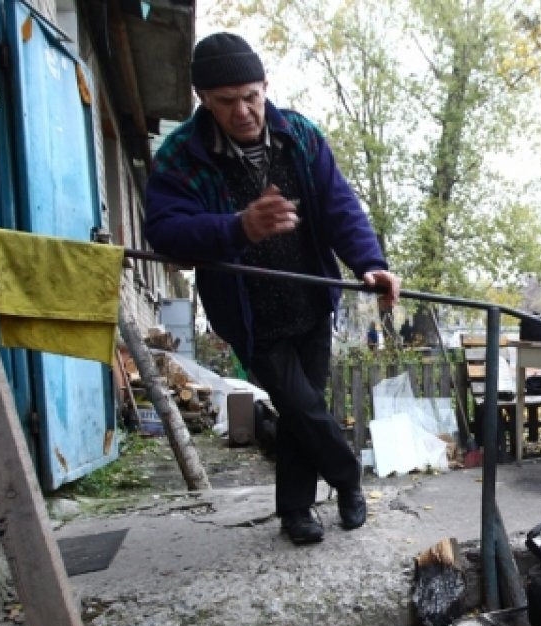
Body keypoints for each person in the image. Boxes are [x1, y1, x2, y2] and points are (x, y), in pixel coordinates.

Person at [144, 32, 401, 546]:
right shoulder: (181, 156)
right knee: (304, 407)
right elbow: (167, 232)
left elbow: (338, 206)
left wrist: (371, 264)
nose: (242, 111)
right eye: (225, 101)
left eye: (250, 96)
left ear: (265, 86)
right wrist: (238, 228)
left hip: (310, 299)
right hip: (249, 315)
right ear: (203, 100)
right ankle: (350, 481)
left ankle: (296, 511)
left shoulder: (300, 136)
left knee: (301, 409)